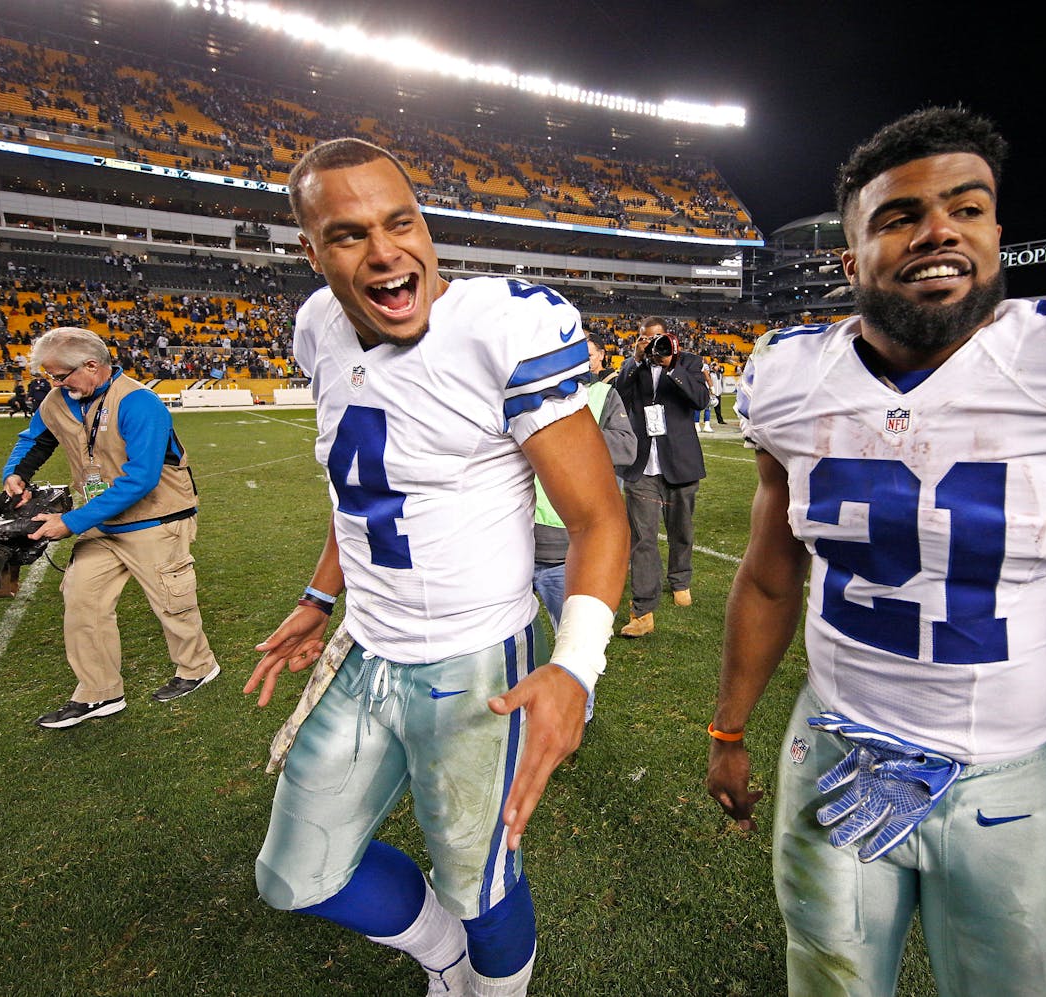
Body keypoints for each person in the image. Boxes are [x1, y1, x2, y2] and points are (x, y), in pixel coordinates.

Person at [707, 107, 1046, 997]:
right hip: (833, 747)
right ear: (851, 260)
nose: (938, 230)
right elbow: (773, 574)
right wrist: (729, 728)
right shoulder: (788, 380)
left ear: (998, 233)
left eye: (967, 207)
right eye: (899, 216)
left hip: (1006, 774)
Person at [243, 138, 627, 996]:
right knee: (295, 873)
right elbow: (364, 490)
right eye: (348, 235)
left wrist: (576, 666)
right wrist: (318, 593)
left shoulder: (501, 330)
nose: (384, 252)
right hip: (366, 645)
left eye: (401, 222)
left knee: (481, 882)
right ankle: (441, 953)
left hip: (475, 657)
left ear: (425, 225)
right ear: (311, 251)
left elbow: (599, 517)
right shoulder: (317, 327)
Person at [1, 326, 219, 729]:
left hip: (157, 518)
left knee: (172, 602)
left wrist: (69, 522)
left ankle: (197, 667)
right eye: (50, 377)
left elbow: (141, 480)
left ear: (91, 365)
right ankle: (99, 693)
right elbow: (35, 438)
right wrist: (16, 472)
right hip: (102, 521)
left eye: (60, 376)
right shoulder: (57, 399)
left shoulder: (140, 402)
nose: (55, 384)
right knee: (82, 599)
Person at [532, 332, 636, 722]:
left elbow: (627, 448)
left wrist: (569, 435)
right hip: (517, 542)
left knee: (572, 643)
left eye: (585, 355)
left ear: (597, 361)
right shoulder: (530, 397)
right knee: (505, 641)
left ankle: (579, 714)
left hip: (569, 548)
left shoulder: (604, 397)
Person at [614, 317, 710, 637]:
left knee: (681, 529)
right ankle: (642, 610)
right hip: (642, 465)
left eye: (657, 339)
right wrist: (635, 360)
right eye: (645, 339)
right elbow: (619, 397)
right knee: (642, 539)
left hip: (679, 462)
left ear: (670, 338)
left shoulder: (690, 363)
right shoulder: (635, 367)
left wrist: (671, 367)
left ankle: (680, 579)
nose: (652, 344)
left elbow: (701, 400)